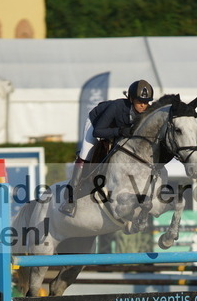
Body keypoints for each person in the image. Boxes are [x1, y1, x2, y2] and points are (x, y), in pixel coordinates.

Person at [59, 79, 155, 216]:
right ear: (131, 99)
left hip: (117, 129)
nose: (143, 105)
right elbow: (98, 131)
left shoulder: (146, 113)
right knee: (85, 154)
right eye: (140, 101)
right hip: (96, 124)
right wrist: (120, 131)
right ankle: (71, 196)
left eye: (146, 102)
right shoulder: (116, 107)